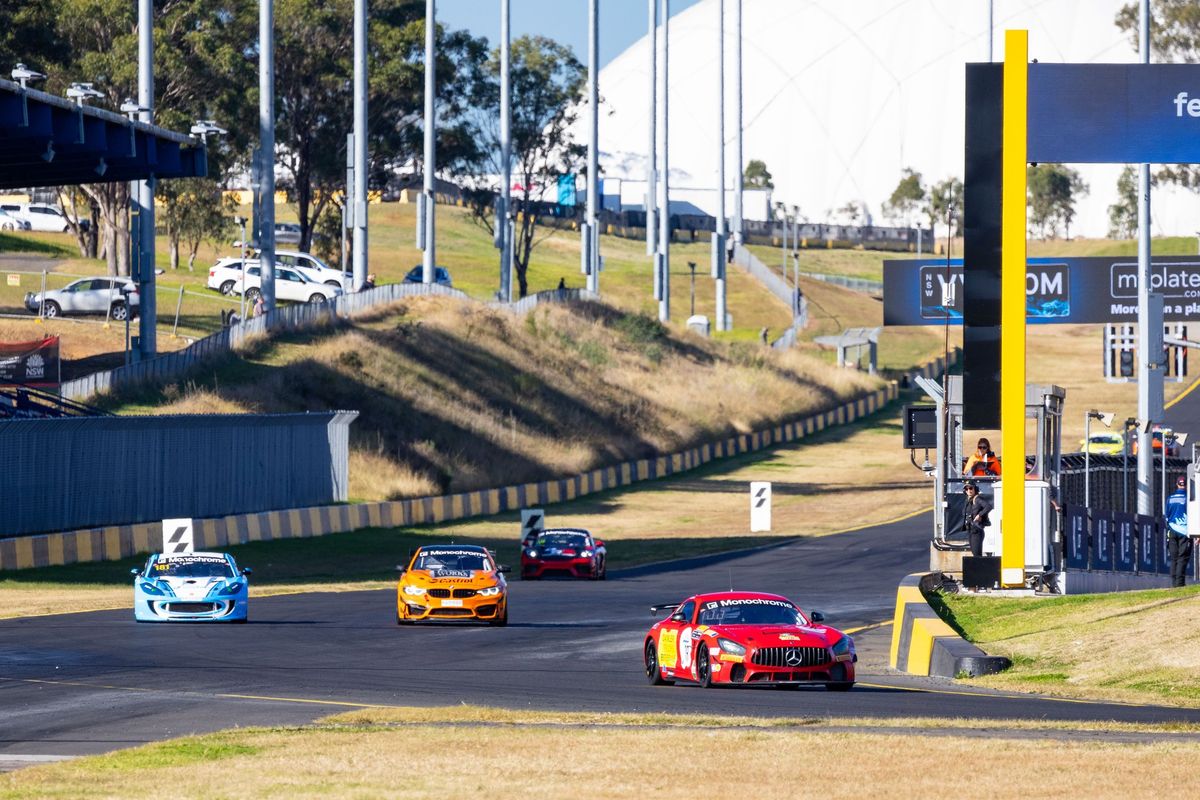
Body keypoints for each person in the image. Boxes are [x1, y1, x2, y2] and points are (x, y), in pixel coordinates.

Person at [1167, 474, 1193, 588]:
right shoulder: (1188, 498)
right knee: (1182, 557)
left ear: (1177, 484)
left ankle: (1173, 584)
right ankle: (1180, 584)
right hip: (1184, 531)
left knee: (1174, 558)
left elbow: (1166, 516)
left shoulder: (1170, 498)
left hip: (1171, 530)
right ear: (1186, 486)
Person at [963, 480, 992, 558]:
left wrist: (980, 515)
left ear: (975, 488)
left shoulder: (977, 499)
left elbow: (988, 506)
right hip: (971, 530)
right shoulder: (968, 500)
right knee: (974, 553)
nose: (969, 490)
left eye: (971, 488)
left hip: (977, 530)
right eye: (966, 489)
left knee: (977, 554)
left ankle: (981, 569)